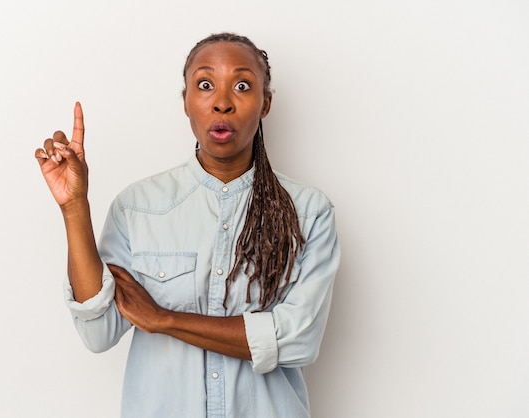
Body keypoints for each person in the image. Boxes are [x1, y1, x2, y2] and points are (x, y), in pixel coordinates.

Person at [35, 32, 340, 418]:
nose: (222, 102)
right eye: (205, 84)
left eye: (242, 86)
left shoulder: (308, 211)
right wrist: (75, 208)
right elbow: (98, 334)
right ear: (186, 101)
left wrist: (164, 319)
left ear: (265, 103)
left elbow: (298, 338)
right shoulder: (138, 207)